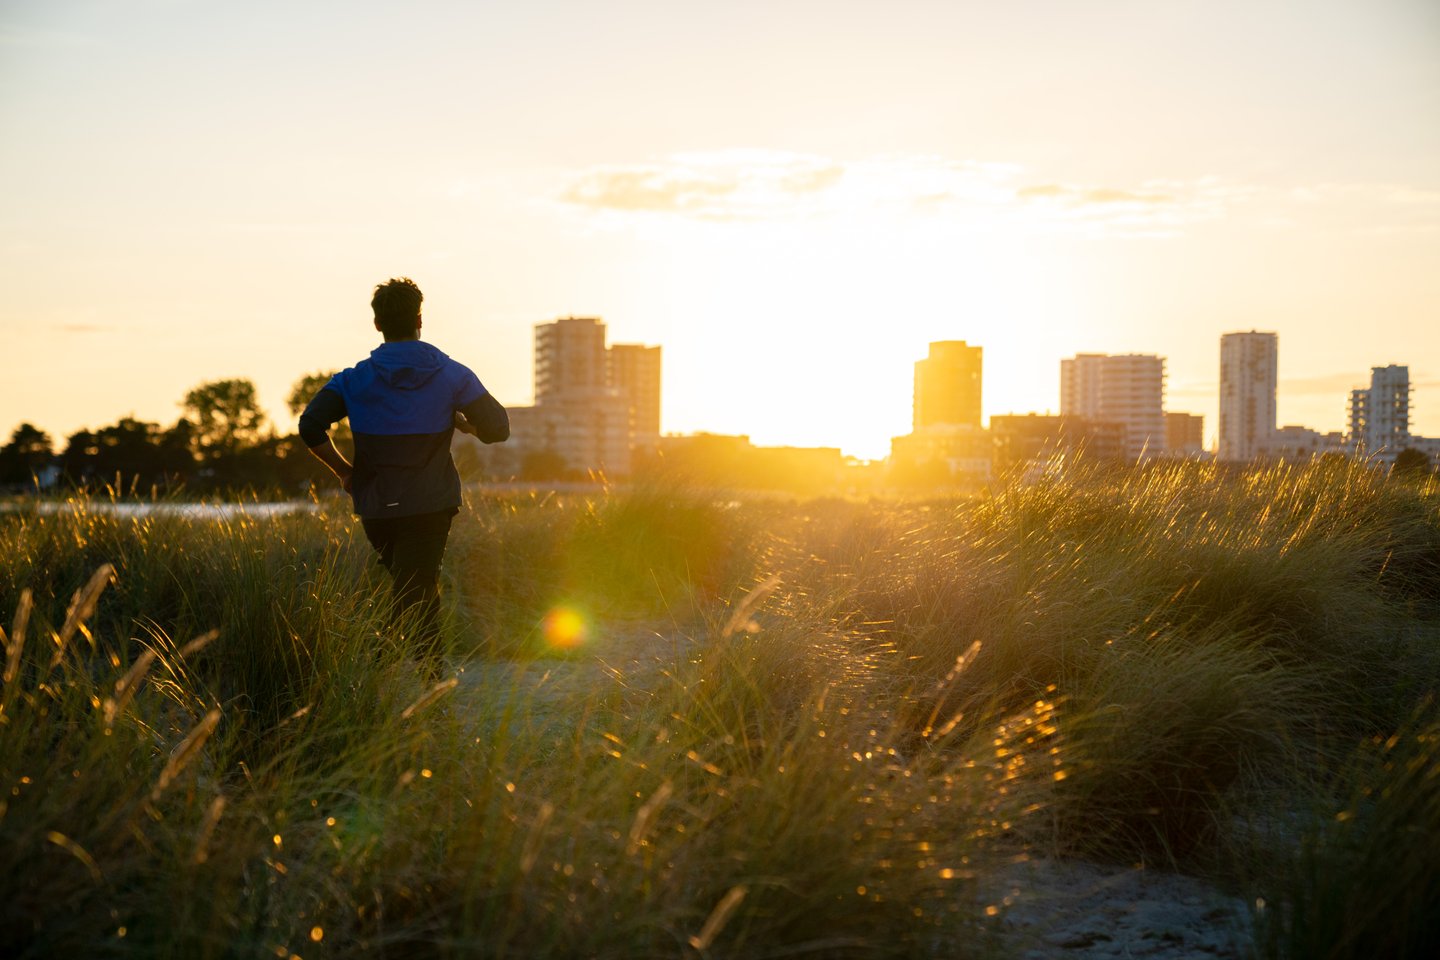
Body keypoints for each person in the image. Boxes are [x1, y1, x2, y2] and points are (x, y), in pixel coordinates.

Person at [298, 277, 509, 670]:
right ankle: (370, 671)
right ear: (420, 319)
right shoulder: (453, 374)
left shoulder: (352, 378)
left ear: (377, 324)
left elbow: (310, 426)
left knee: (417, 588)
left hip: (377, 507)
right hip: (431, 503)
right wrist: (466, 426)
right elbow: (499, 429)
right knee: (416, 590)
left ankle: (431, 685)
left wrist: (345, 473)